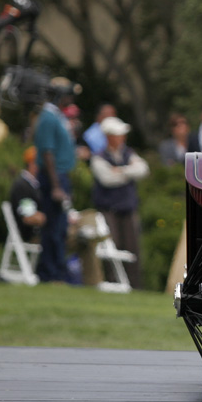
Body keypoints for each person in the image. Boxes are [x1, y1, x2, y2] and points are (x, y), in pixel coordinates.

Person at [90, 116, 150, 289]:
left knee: (133, 248)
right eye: (118, 135)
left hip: (128, 208)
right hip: (109, 209)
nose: (122, 138)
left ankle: (135, 285)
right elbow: (107, 178)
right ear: (109, 137)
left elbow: (143, 169)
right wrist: (129, 172)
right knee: (112, 246)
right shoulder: (99, 157)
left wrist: (121, 170)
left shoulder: (128, 153)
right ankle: (113, 282)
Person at [33, 77, 80, 283]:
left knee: (60, 227)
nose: (70, 99)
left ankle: (56, 270)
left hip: (60, 177)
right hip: (54, 178)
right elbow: (47, 153)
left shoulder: (56, 116)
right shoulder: (48, 117)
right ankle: (51, 272)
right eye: (67, 94)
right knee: (54, 227)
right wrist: (56, 186)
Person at [9, 146, 46, 242]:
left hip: (44, 232)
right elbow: (29, 216)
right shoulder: (22, 186)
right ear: (32, 163)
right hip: (33, 235)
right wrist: (54, 218)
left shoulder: (36, 184)